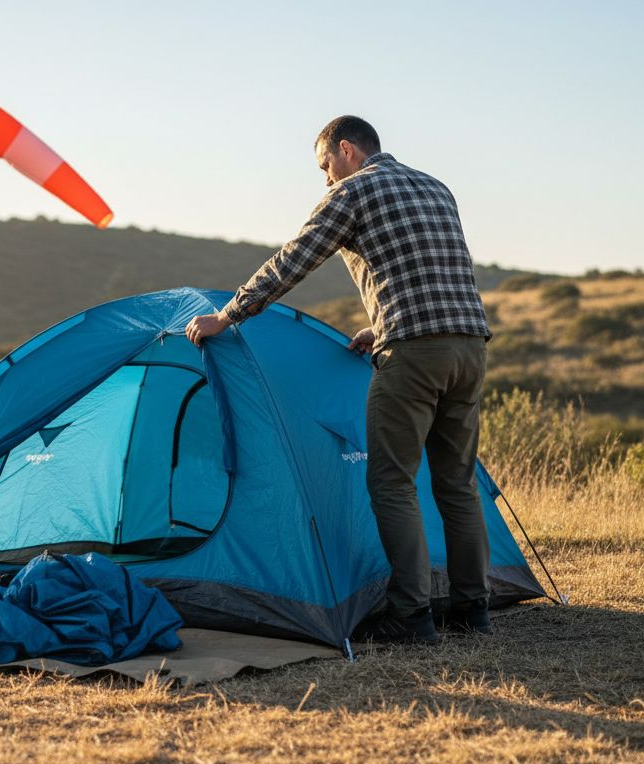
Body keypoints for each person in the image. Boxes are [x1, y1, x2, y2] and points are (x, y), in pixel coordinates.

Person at [185, 116, 492, 644]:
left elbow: (292, 261)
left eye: (324, 165)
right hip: (468, 347)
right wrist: (384, 325)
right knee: (457, 482)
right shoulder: (435, 187)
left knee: (391, 483)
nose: (325, 178)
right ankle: (473, 608)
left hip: (415, 355)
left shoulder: (352, 192)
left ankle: (412, 616)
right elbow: (434, 268)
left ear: (346, 150)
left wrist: (228, 316)